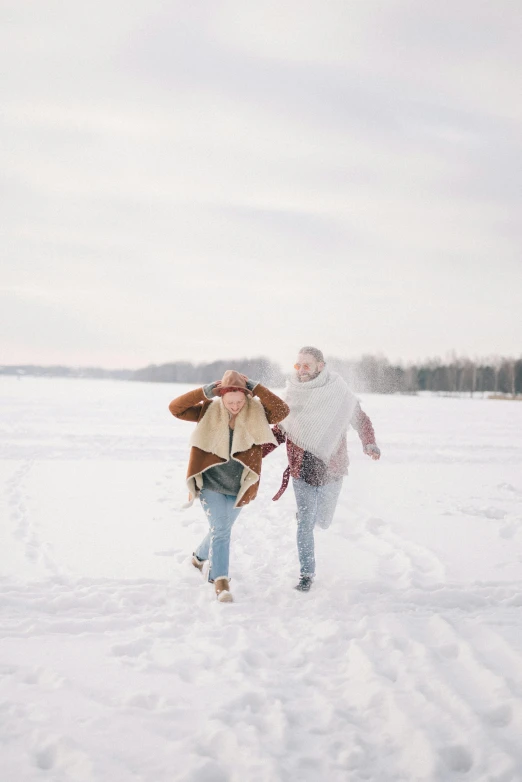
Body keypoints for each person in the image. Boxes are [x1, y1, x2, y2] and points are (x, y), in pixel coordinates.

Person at [265, 346, 380, 592]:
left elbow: (361, 419)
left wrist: (369, 442)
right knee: (305, 523)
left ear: (320, 365)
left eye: (307, 365)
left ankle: (309, 519)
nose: (302, 370)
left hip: (332, 469)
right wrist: (250, 454)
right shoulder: (292, 394)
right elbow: (280, 431)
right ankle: (306, 574)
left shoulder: (339, 391)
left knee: (323, 521)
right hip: (301, 470)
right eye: (298, 365)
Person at [168, 370, 289, 602]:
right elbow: (176, 408)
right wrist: (203, 392)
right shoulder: (207, 410)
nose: (235, 406)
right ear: (221, 398)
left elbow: (282, 411)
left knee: (219, 529)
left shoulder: (257, 413)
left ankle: (197, 558)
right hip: (210, 483)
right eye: (230, 402)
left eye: (240, 401)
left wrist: (256, 386)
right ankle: (220, 581)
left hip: (239, 486)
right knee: (222, 531)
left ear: (247, 398)